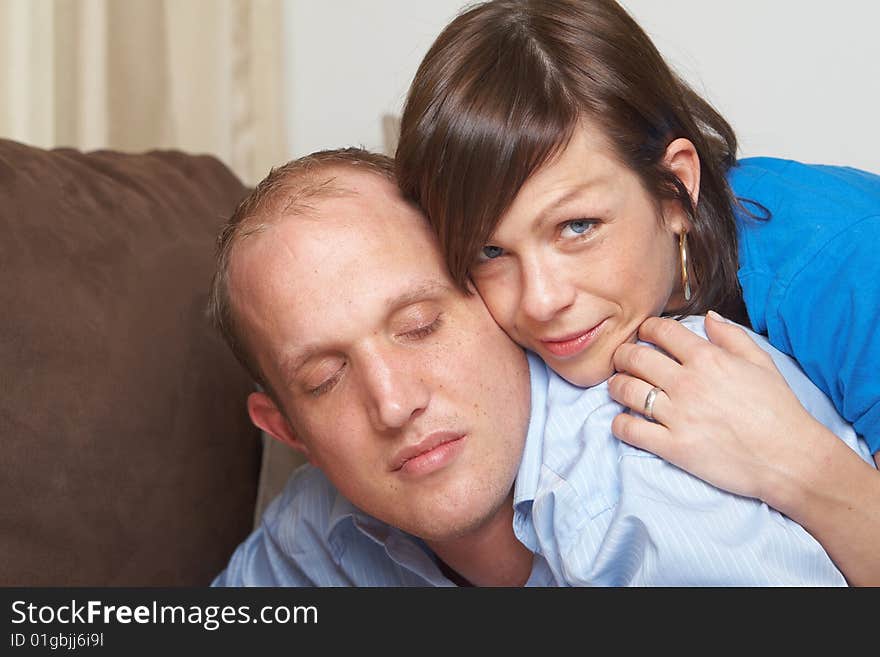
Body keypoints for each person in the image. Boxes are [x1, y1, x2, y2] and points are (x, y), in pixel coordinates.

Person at [209, 148, 868, 587]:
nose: (392, 402)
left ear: (497, 302)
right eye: (325, 380)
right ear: (290, 430)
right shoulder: (320, 528)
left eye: (420, 326)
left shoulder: (650, 475)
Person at [394, 0, 880, 584]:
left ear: (676, 189)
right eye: (490, 251)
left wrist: (793, 461)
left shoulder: (846, 266)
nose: (541, 300)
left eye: (577, 227)